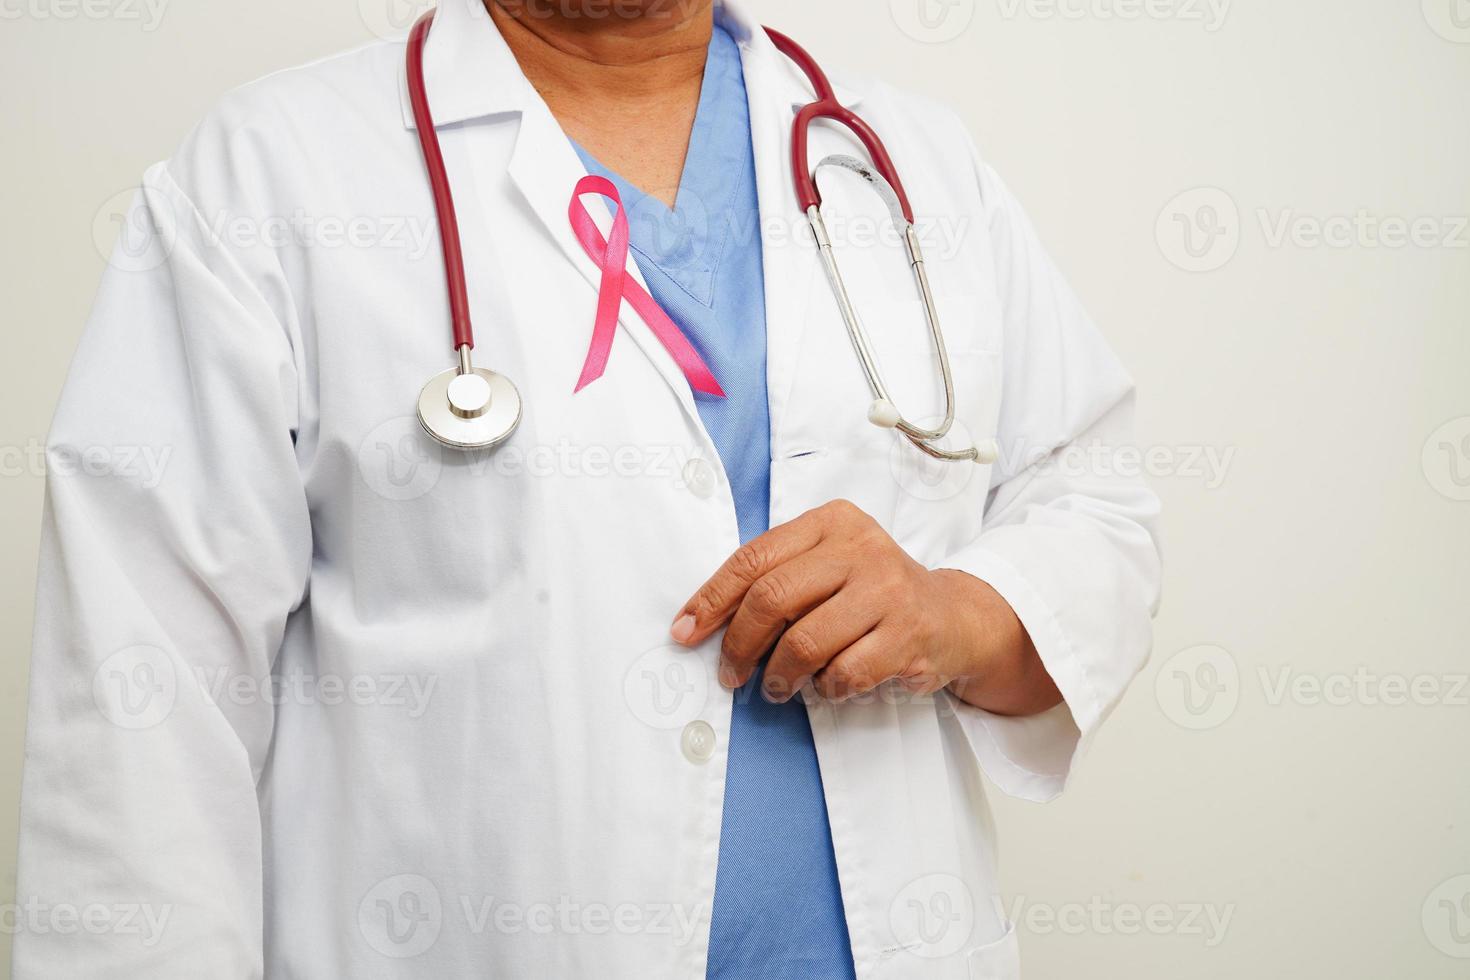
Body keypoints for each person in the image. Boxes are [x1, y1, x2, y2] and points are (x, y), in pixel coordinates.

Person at [13, 0, 1162, 977]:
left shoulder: (908, 162)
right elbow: (141, 710)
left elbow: (1095, 501)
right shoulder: (271, 176)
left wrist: (957, 611)